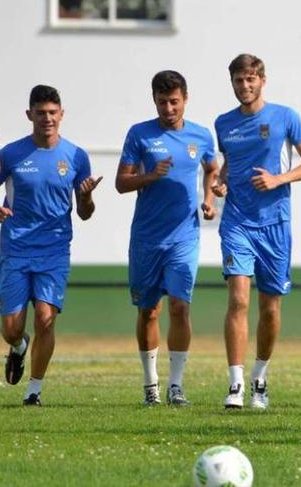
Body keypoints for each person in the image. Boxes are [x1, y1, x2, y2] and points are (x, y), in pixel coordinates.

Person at [0, 85, 100, 406]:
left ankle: (34, 390)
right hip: (16, 250)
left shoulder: (75, 156)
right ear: (29, 115)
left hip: (55, 251)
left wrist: (85, 197)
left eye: (53, 113)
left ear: (62, 115)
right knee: (11, 328)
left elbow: (85, 214)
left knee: (46, 317)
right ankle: (18, 347)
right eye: (41, 113)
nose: (47, 119)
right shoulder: (12, 154)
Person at [214, 54, 301, 410]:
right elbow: (230, 163)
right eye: (238, 81)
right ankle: (236, 384)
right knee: (239, 299)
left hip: (275, 223)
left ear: (262, 80)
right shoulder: (223, 123)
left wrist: (279, 179)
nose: (244, 86)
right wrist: (221, 182)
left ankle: (260, 377)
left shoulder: (285, 117)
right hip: (237, 223)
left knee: (270, 307)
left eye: (250, 80)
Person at [115, 70, 217, 406]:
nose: (168, 108)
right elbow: (121, 183)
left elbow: (212, 168)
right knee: (149, 311)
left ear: (185, 99)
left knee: (180, 306)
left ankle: (176, 386)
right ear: (154, 101)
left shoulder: (201, 136)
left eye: (174, 101)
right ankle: (150, 385)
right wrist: (149, 176)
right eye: (162, 102)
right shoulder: (140, 135)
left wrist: (209, 198)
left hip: (184, 236)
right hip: (146, 237)